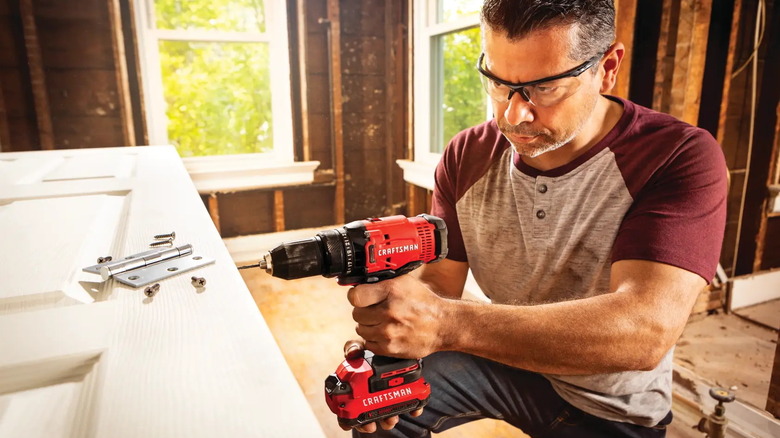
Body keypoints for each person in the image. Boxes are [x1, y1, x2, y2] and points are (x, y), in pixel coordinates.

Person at [342, 0, 728, 436]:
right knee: (379, 401)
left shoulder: (678, 156)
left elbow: (644, 332)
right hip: (504, 359)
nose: (513, 114)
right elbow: (439, 285)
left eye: (544, 88)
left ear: (607, 67)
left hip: (612, 408)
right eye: (498, 82)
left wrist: (446, 323)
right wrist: (400, 333)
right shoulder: (466, 156)